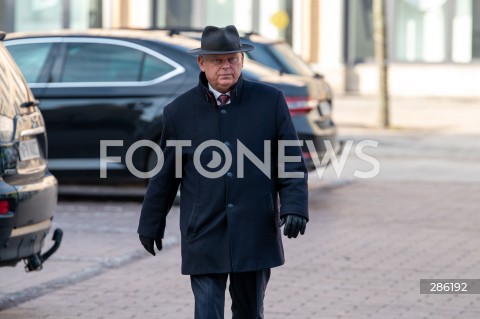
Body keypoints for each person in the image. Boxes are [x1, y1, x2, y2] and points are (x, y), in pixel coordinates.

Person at [137, 25, 308, 319]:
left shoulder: (271, 101)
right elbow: (165, 176)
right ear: (202, 63)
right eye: (218, 60)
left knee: (250, 311)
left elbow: (290, 161)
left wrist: (295, 206)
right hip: (202, 230)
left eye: (233, 59)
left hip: (254, 228)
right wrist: (151, 223)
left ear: (242, 60)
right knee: (206, 311)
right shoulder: (179, 112)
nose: (226, 66)